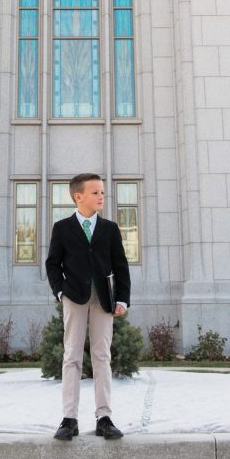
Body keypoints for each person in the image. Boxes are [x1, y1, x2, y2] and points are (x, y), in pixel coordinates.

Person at [45, 172, 131, 441]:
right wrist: (60, 292)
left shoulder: (110, 229)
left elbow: (121, 266)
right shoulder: (62, 228)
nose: (101, 196)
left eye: (102, 192)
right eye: (95, 193)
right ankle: (69, 419)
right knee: (71, 355)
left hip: (103, 299)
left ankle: (104, 417)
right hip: (74, 297)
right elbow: (52, 264)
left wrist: (122, 298)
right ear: (78, 196)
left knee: (101, 355)